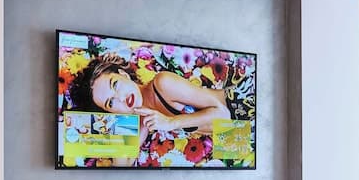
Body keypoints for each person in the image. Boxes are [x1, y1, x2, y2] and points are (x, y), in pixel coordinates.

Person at [68, 52, 234, 137]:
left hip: (240, 106)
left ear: (124, 74)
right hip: (234, 135)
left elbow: (223, 114)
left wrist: (170, 122)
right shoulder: (142, 120)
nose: (120, 98)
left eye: (115, 84)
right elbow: (125, 162)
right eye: (110, 103)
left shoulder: (163, 83)